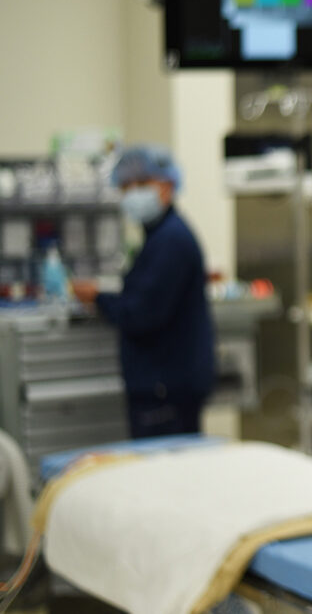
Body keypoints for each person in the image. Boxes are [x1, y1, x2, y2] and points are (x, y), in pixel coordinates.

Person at [73, 145, 215, 439]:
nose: (133, 193)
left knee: (164, 474)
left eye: (142, 184)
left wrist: (98, 298)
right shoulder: (162, 237)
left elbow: (142, 314)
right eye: (126, 186)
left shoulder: (170, 241)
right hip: (166, 384)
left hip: (165, 389)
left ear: (167, 186)